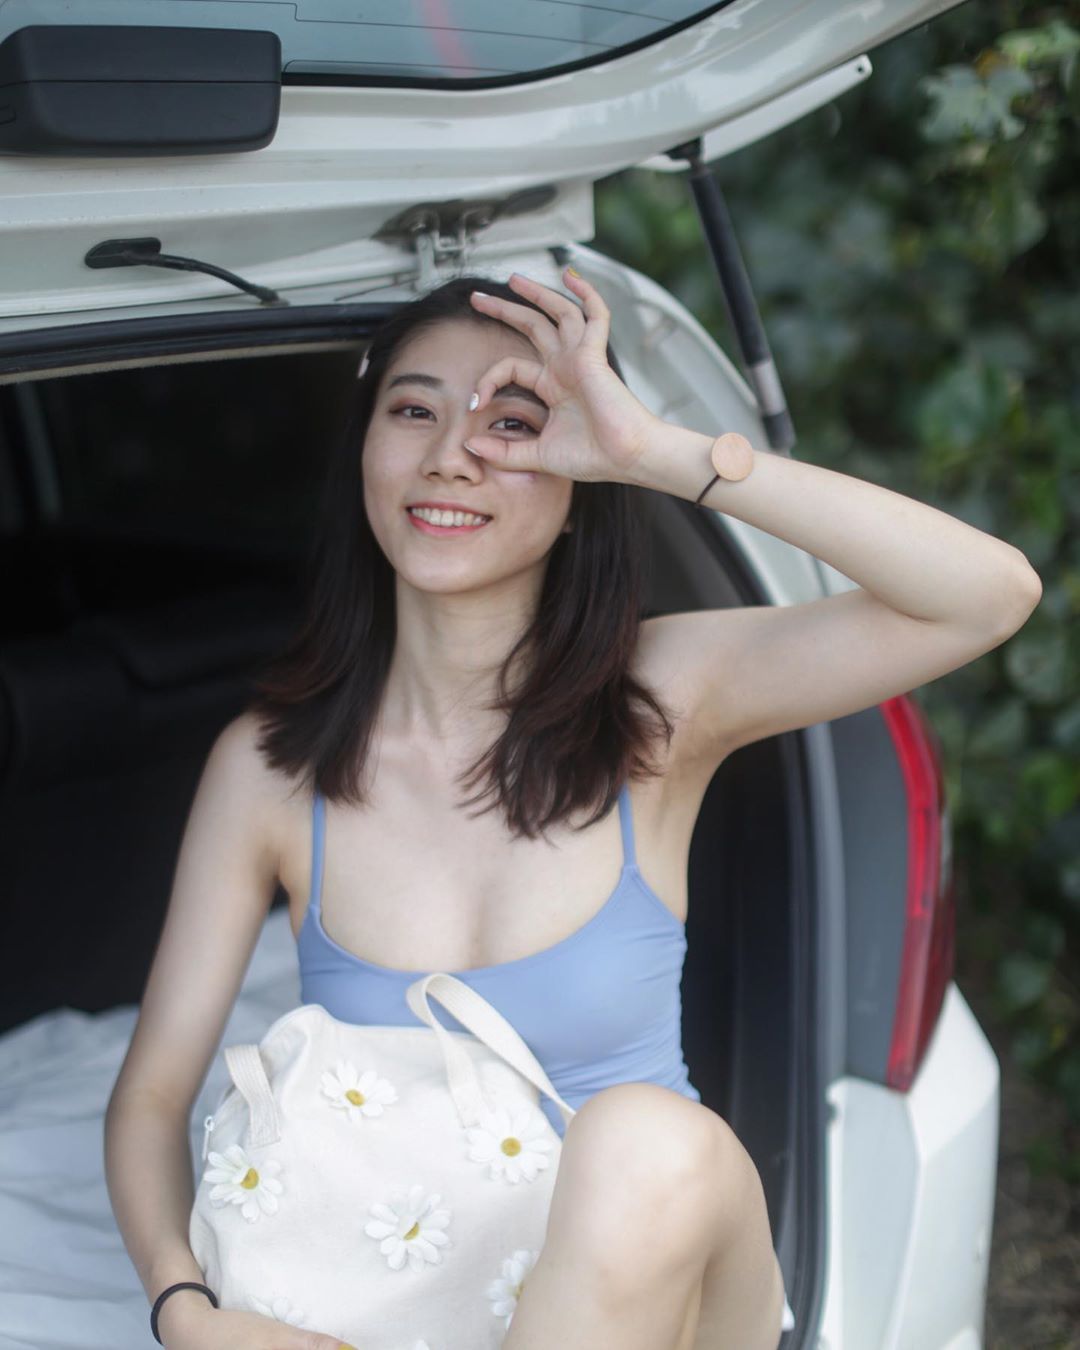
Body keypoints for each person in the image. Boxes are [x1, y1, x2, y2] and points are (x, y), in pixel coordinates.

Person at [104, 265, 1041, 1350]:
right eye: (413, 411)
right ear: (363, 449)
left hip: (664, 1294)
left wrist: (654, 453)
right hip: (396, 1297)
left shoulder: (661, 701)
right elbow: (153, 1097)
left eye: (511, 422)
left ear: (575, 482)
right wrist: (183, 1307)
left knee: (643, 1139)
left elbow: (987, 596)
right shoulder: (271, 769)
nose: (451, 454)